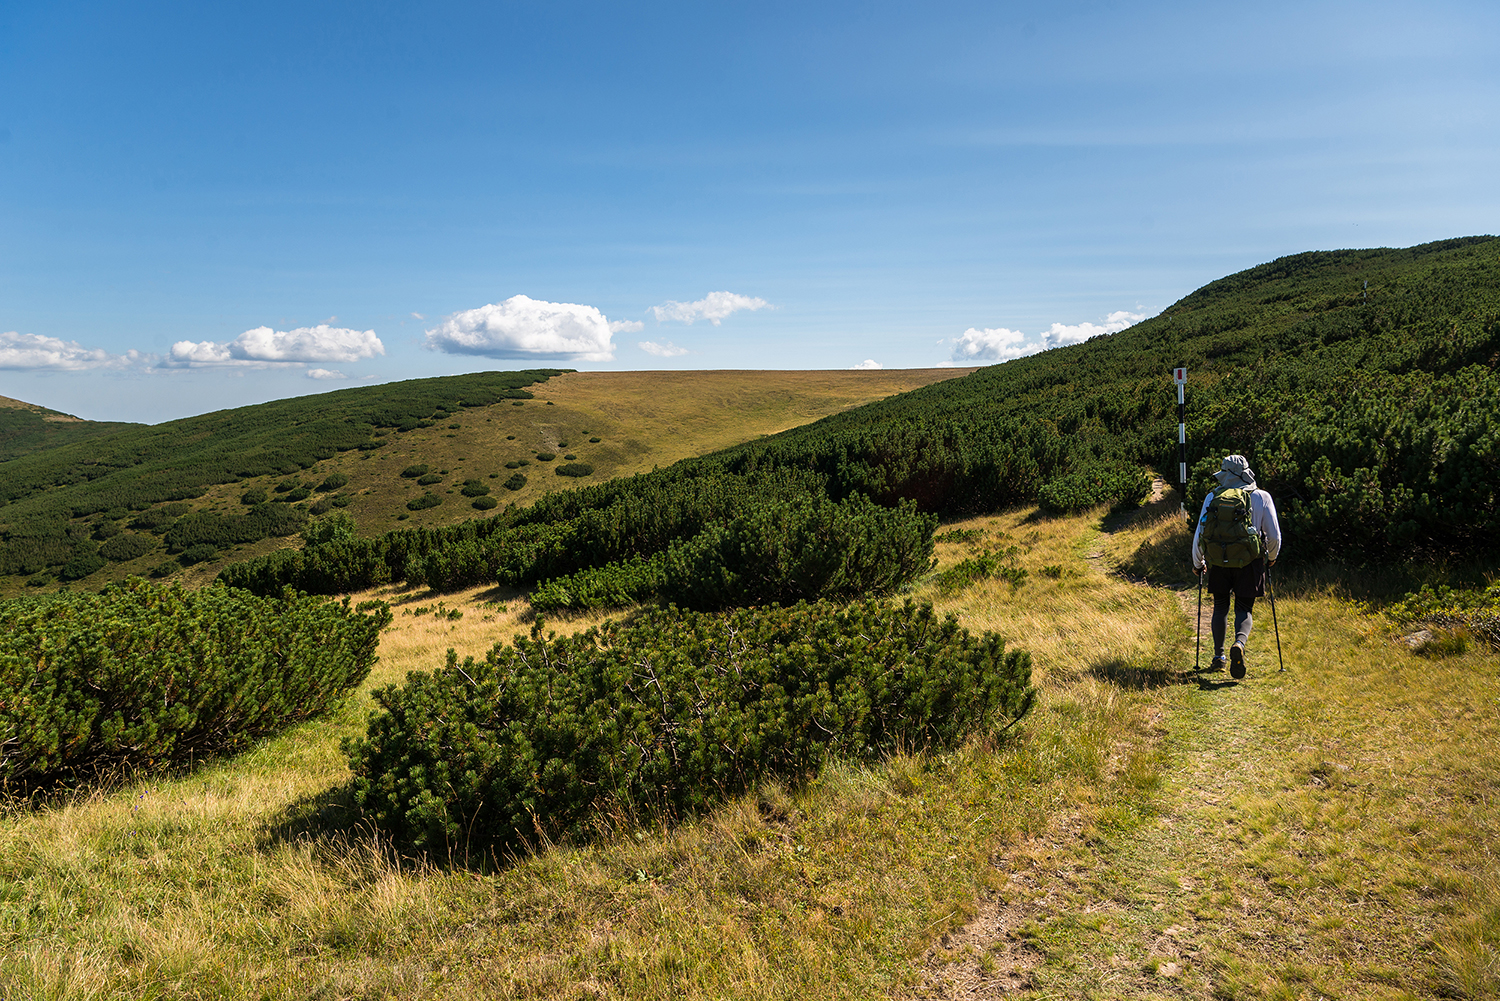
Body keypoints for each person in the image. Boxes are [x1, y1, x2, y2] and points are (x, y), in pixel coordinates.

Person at [1191, 454, 1282, 679]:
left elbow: (1200, 533)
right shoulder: (1261, 496)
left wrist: (1198, 563)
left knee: (1220, 606)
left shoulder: (1212, 496)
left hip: (1218, 560)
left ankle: (1219, 657)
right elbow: (1274, 536)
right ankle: (1239, 643)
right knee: (1244, 608)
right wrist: (1271, 557)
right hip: (1249, 562)